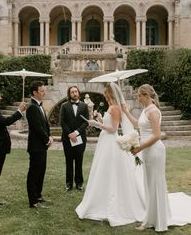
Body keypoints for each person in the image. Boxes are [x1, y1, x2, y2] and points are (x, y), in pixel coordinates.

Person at [122, 84, 191, 232]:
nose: (137, 97)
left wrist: (140, 147)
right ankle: (152, 218)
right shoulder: (146, 109)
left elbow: (157, 135)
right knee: (149, 184)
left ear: (146, 95)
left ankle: (159, 221)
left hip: (154, 150)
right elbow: (138, 125)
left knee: (155, 184)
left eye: (139, 95)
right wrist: (127, 112)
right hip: (148, 150)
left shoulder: (153, 111)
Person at [75, 82, 145, 226]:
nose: (105, 95)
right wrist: (100, 118)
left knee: (109, 171)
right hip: (105, 142)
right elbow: (109, 126)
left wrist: (95, 123)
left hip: (110, 143)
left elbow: (113, 129)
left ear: (111, 94)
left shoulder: (114, 108)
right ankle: (101, 199)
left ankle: (112, 204)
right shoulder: (112, 108)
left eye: (106, 92)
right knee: (104, 171)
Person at [26, 80, 53, 208]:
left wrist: (50, 136)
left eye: (44, 90)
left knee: (41, 171)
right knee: (34, 173)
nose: (44, 93)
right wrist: (47, 139)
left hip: (42, 145)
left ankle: (38, 195)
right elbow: (37, 127)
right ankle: (33, 201)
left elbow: (45, 124)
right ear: (34, 92)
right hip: (36, 146)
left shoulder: (40, 105)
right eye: (42, 91)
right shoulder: (31, 107)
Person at [60, 85, 89, 191]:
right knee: (68, 161)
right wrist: (69, 134)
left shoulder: (84, 106)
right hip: (67, 139)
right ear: (69, 94)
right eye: (72, 92)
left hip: (80, 138)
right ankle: (68, 184)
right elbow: (62, 122)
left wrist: (76, 133)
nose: (74, 93)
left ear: (78, 93)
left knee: (79, 161)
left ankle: (79, 183)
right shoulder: (64, 106)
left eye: (76, 91)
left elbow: (86, 122)